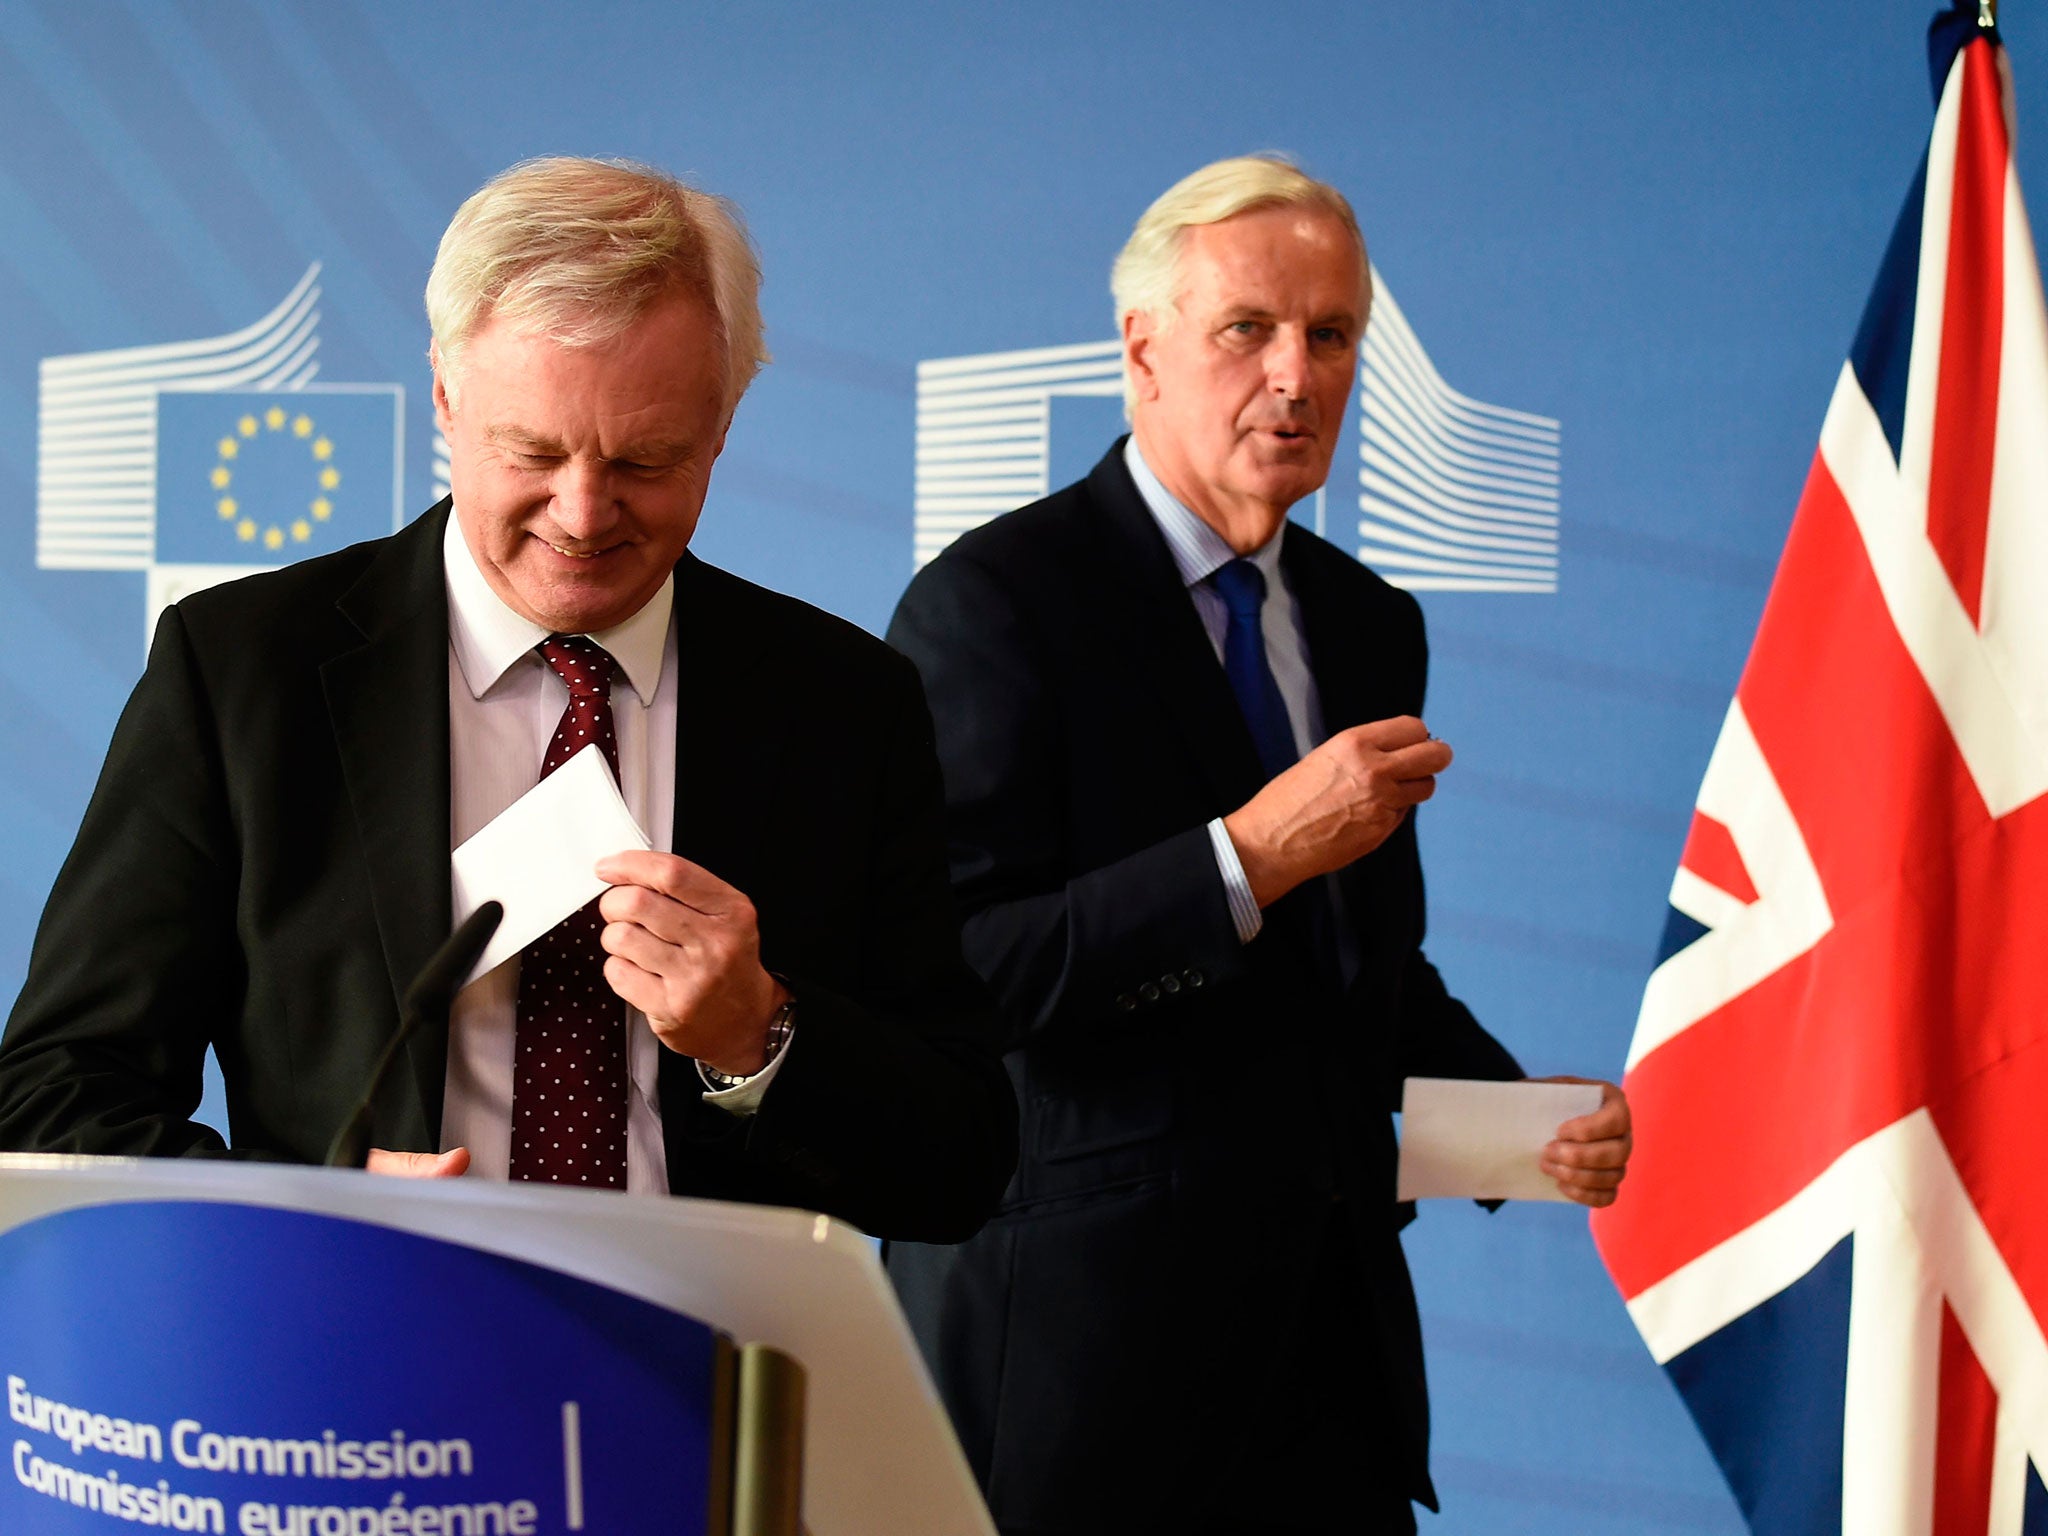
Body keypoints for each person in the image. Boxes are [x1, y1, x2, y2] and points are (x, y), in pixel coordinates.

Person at [0, 156, 1015, 1244]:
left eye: (644, 459)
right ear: (444, 395)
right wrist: (309, 1214)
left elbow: (956, 1170)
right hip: (352, 1358)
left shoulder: (842, 704)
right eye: (531, 450)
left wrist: (759, 1034)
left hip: (704, 1384)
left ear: (721, 424)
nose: (582, 515)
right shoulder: (248, 669)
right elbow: (56, 1093)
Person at [883, 155, 1633, 1532]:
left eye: (1332, 334)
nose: (1297, 374)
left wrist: (1521, 1118)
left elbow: (1353, 967)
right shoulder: (992, 604)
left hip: (1329, 1374)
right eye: (1248, 329)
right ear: (1143, 348)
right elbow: (962, 978)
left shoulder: (1367, 622)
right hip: (1082, 1389)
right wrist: (1245, 856)